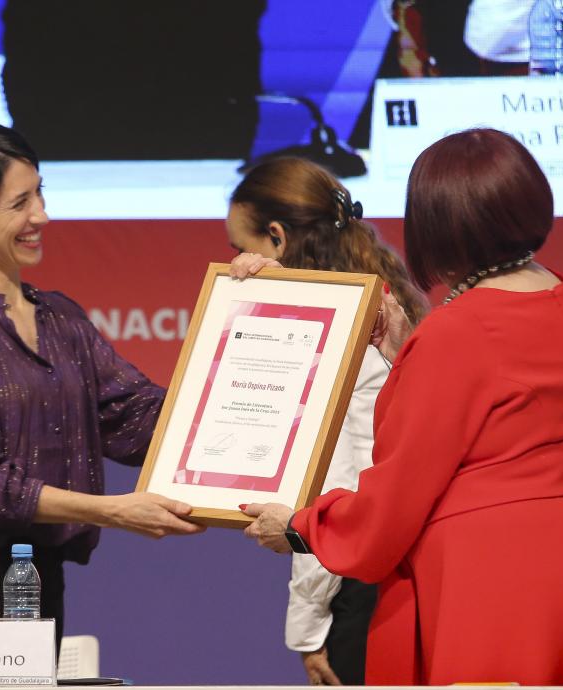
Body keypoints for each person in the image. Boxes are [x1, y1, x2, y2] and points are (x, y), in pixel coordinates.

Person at [240, 129, 563, 684]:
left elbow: (395, 501)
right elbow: (501, 422)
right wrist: (407, 352)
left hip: (502, 578)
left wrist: (301, 526)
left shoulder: (457, 331)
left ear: (434, 221)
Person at [0, 116, 202, 643]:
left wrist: (250, 336)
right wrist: (113, 511)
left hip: (34, 578)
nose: (42, 216)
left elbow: (138, 420)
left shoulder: (61, 318)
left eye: (40, 193)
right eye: (19, 203)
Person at [227, 157, 428, 685]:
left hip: (361, 588)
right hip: (403, 576)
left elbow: (337, 490)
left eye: (238, 247)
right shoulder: (385, 300)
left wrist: (309, 629)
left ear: (275, 236)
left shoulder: (334, 330)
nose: (238, 262)